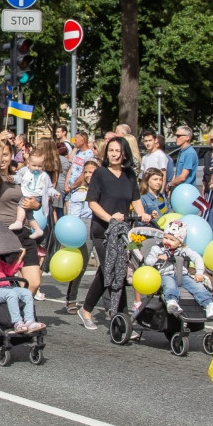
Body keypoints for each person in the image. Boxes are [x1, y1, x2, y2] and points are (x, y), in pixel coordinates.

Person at [77, 137, 151, 330]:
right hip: (103, 231)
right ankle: (122, 320)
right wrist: (110, 218)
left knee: (106, 271)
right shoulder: (100, 173)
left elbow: (135, 199)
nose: (114, 154)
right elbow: (92, 202)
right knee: (116, 271)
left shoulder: (129, 175)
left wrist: (143, 214)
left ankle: (86, 309)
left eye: (118, 151)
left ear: (124, 153)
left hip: (123, 232)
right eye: (111, 150)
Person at [142, 220, 213, 320]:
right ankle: (172, 301)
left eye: (172, 240)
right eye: (165, 238)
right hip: (165, 274)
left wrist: (199, 273)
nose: (167, 241)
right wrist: (158, 259)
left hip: (182, 275)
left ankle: (209, 304)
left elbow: (197, 258)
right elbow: (148, 262)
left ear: (180, 242)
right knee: (170, 285)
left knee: (197, 286)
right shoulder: (157, 249)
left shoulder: (183, 250)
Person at [63, 160, 99, 313]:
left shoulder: (102, 190)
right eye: (86, 172)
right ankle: (71, 298)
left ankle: (109, 302)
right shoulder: (80, 192)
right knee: (81, 265)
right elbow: (74, 215)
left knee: (105, 266)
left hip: (101, 225)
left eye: (92, 172)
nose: (89, 175)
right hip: (84, 226)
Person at [11, 150, 55, 240]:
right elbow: (18, 177)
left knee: (21, 205)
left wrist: (54, 193)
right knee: (29, 214)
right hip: (29, 193)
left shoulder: (43, 175)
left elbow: (49, 187)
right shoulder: (25, 170)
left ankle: (19, 221)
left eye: (40, 166)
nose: (37, 168)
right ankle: (37, 229)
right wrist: (13, 178)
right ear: (28, 163)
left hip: (35, 195)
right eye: (34, 165)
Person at [167, 126, 199, 192]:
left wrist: (170, 185)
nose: (175, 138)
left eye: (178, 136)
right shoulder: (182, 151)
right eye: (176, 135)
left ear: (187, 137)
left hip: (186, 191)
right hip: (179, 189)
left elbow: (183, 177)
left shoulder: (189, 153)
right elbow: (178, 173)